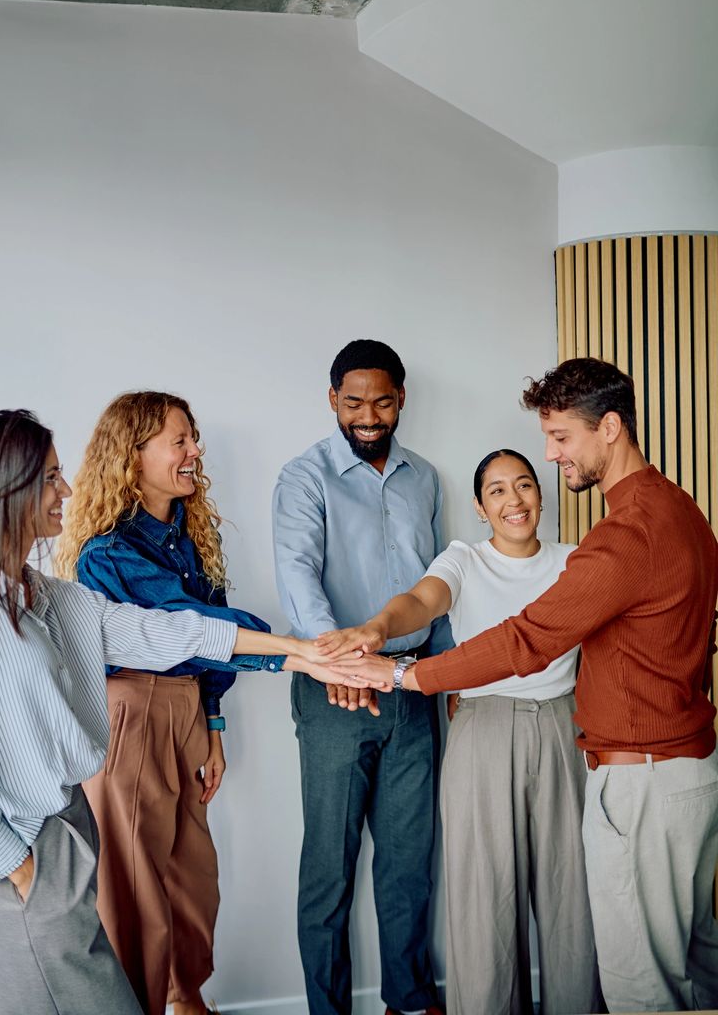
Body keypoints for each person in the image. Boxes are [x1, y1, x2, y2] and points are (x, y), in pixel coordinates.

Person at [325, 358, 718, 1014]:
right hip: (685, 773)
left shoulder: (617, 540)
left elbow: (526, 640)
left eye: (561, 438)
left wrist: (405, 673)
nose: (552, 454)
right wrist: (385, 636)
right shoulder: (681, 511)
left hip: (643, 780)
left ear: (611, 427)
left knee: (640, 988)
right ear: (481, 508)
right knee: (693, 972)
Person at [0, 409, 331, 1015]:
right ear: (5, 487)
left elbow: (168, 631)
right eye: (51, 476)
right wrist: (23, 872)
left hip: (65, 832)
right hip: (23, 858)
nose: (67, 490)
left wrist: (298, 652)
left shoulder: (41, 595)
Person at [323, 447, 602, 1014]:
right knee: (484, 899)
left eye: (523, 485)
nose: (513, 500)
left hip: (562, 731)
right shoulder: (463, 559)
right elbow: (423, 601)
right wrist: (379, 627)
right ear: (479, 506)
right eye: (497, 490)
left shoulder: (576, 561)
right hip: (483, 729)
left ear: (541, 495)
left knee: (572, 895)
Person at [55, 391, 282, 1015]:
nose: (194, 452)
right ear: (134, 455)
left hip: (184, 712)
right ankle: (138, 1005)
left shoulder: (188, 541)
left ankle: (186, 1000)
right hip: (131, 713)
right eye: (178, 441)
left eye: (193, 438)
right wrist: (297, 651)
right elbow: (193, 625)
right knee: (133, 890)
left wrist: (212, 727)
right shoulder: (106, 553)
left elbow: (206, 655)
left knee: (192, 882)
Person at [273, 339, 445, 1015]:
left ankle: (407, 999)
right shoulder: (303, 476)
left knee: (408, 864)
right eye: (353, 402)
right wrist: (341, 663)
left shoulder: (424, 477)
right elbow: (297, 577)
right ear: (332, 401)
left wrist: (447, 674)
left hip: (411, 685)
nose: (367, 415)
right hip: (333, 692)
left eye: (381, 401)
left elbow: (437, 584)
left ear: (400, 399)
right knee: (329, 871)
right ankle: (328, 1009)